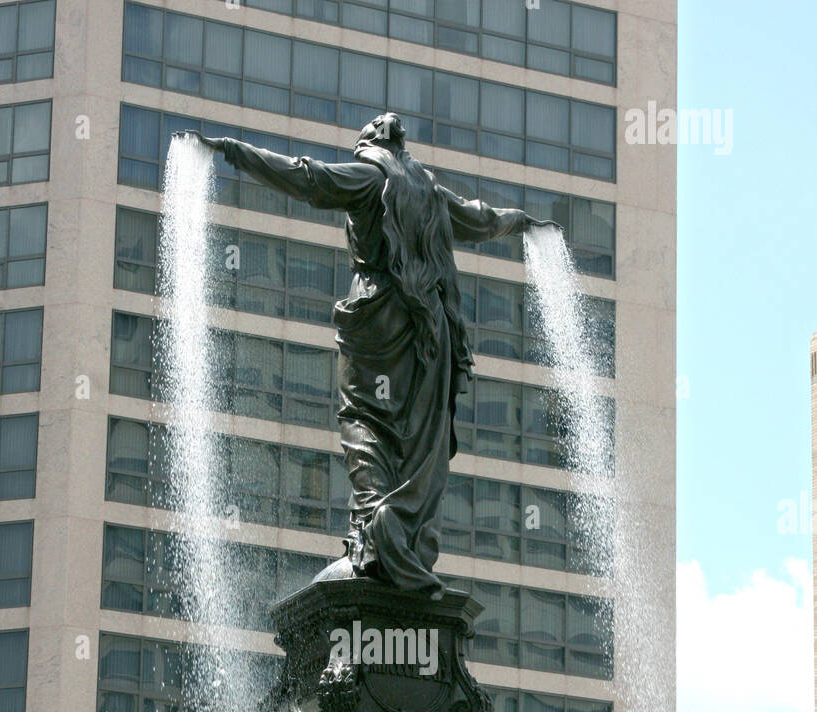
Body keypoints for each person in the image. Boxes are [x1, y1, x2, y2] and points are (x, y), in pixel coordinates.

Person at [181, 114, 557, 597]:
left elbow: (307, 177)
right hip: (430, 328)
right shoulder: (431, 194)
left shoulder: (370, 177)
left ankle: (377, 527)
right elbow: (482, 219)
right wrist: (523, 222)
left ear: (369, 147)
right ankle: (399, 534)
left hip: (378, 316)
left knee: (363, 417)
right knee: (418, 435)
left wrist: (234, 150)